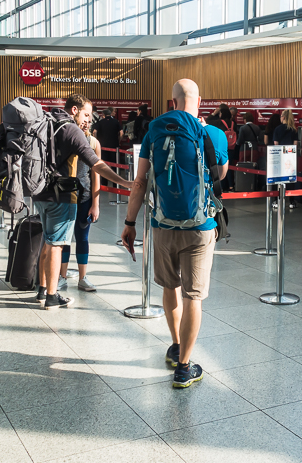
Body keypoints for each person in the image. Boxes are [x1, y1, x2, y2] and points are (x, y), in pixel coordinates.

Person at [121, 79, 228, 389]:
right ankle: (184, 366)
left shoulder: (154, 130)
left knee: (169, 286)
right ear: (199, 100)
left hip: (162, 224)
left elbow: (140, 182)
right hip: (200, 228)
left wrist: (129, 223)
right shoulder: (213, 134)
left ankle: (175, 344)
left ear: (172, 102)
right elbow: (220, 176)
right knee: (193, 296)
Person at [33, 94, 131, 310]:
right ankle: (51, 295)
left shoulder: (48, 122)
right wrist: (125, 182)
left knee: (47, 243)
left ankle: (41, 289)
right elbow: (97, 164)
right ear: (74, 110)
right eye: (86, 114)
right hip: (61, 195)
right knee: (56, 245)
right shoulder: (72, 130)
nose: (88, 119)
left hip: (40, 193)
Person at [59, 110, 103, 293]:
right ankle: (61, 276)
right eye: (85, 117)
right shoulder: (65, 136)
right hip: (65, 196)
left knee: (82, 237)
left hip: (84, 197)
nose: (87, 121)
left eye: (90, 119)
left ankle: (83, 277)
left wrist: (96, 203)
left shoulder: (93, 143)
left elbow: (96, 174)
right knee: (64, 239)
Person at [273, 109, 299, 210]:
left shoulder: (278, 129)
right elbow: (295, 144)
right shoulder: (293, 129)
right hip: (290, 157)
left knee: (278, 179)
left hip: (280, 157)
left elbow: (276, 144)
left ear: (283, 117)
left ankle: (277, 200)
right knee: (290, 179)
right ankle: (292, 201)